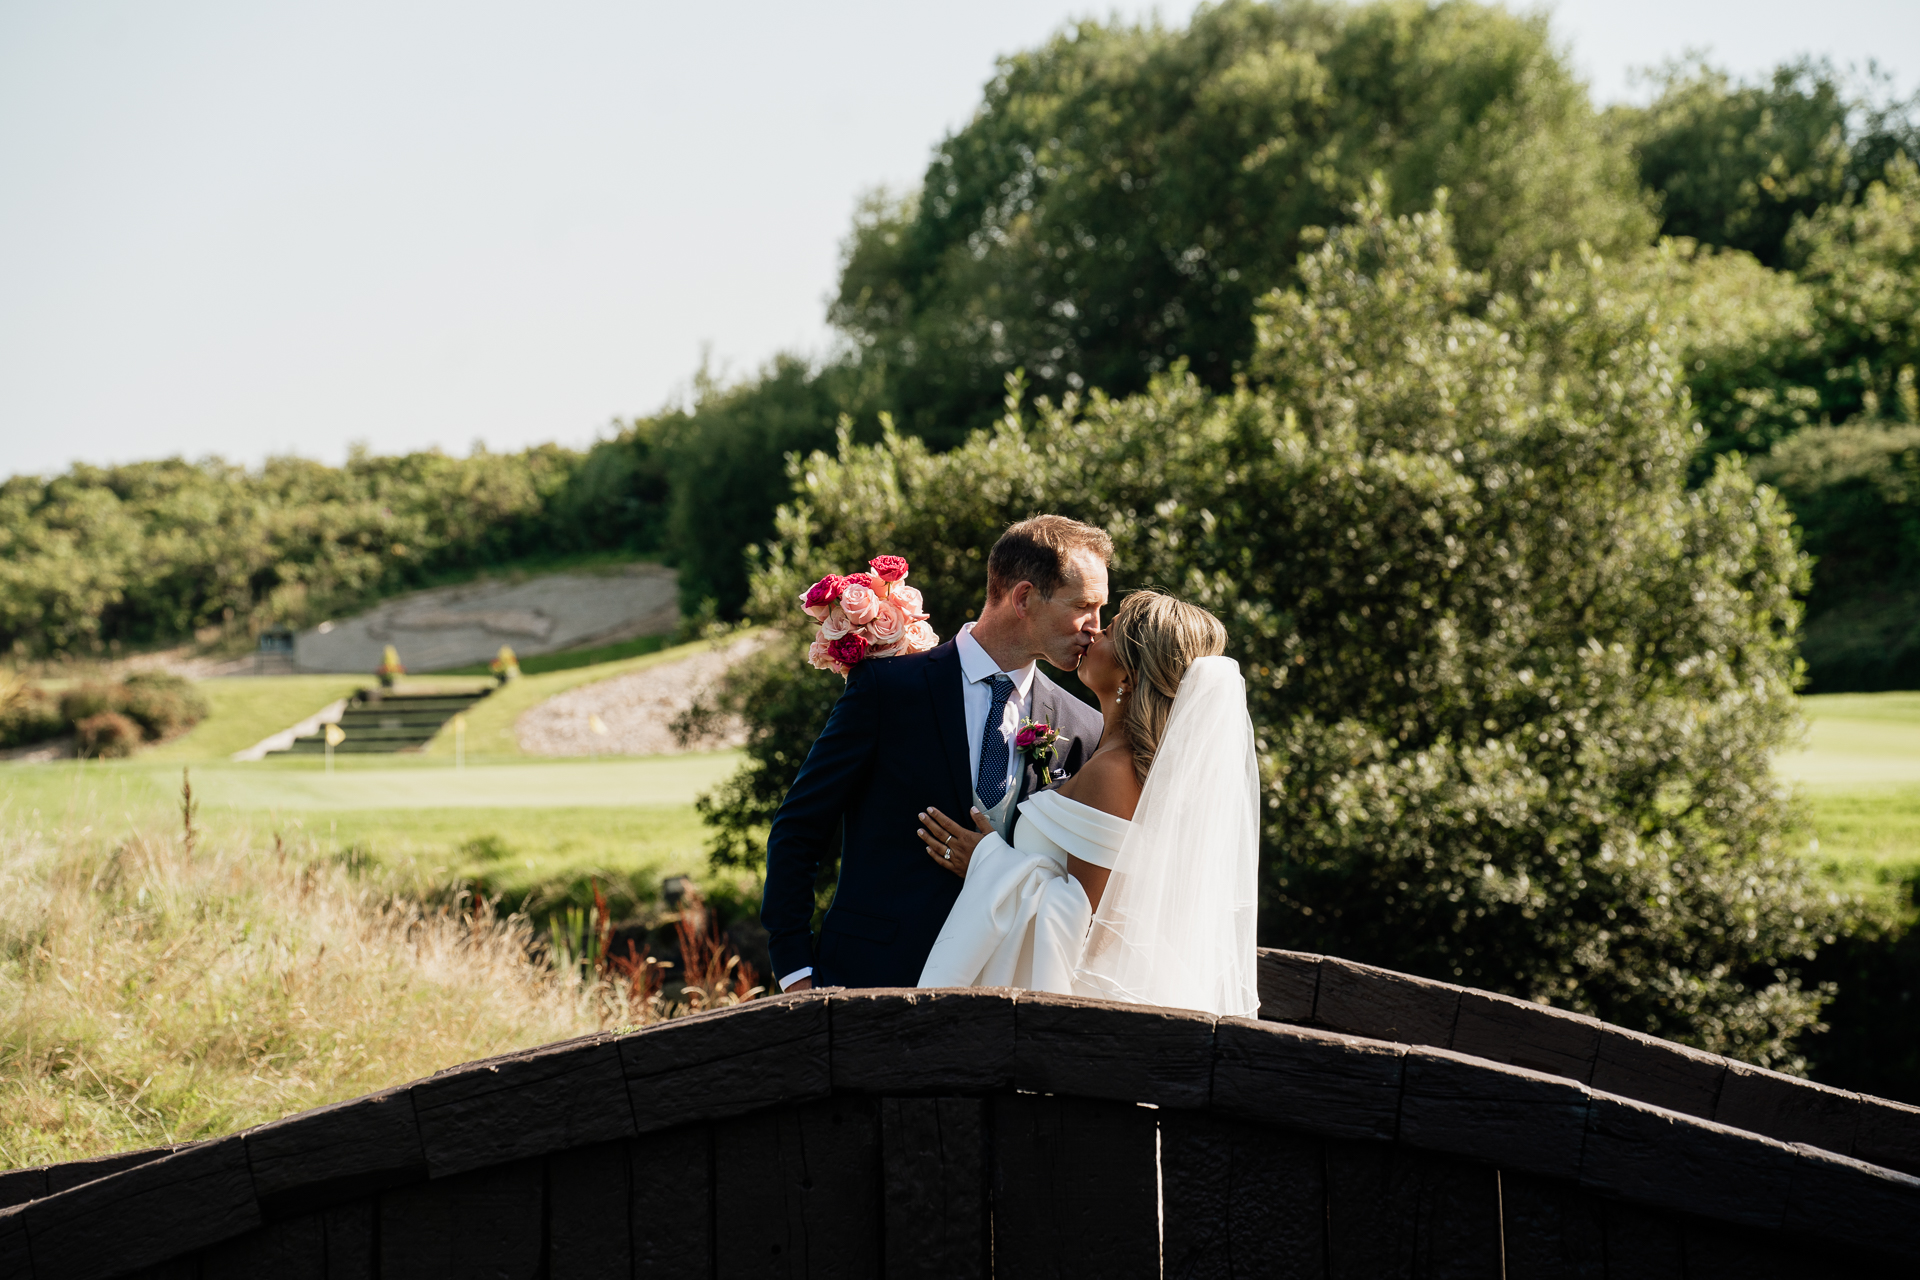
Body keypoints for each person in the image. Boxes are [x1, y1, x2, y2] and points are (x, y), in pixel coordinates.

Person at [761, 515, 1111, 990]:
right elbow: (799, 829)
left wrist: (992, 864)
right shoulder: (888, 691)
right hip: (871, 982)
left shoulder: (1083, 725)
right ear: (1024, 598)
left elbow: (1078, 884)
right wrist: (796, 973)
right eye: (1083, 606)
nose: (1095, 627)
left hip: (1004, 992)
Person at [915, 590, 1260, 1018]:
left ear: (1130, 677)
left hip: (1078, 1009)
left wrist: (986, 860)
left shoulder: (1114, 773)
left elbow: (1085, 924)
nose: (1095, 631)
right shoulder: (1110, 758)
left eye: (1111, 630)